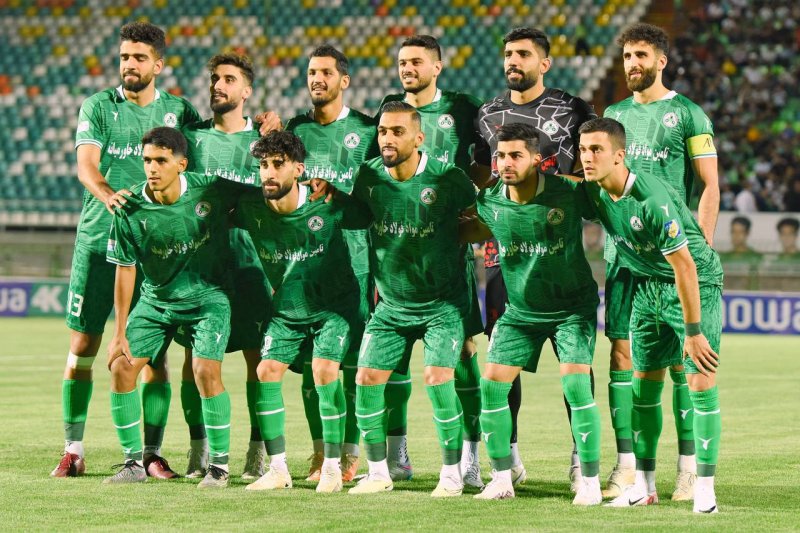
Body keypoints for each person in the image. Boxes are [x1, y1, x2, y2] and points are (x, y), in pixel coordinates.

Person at [53, 21, 200, 478]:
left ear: (158, 64)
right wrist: (107, 194)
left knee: (153, 356)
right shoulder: (99, 106)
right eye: (124, 57)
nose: (129, 65)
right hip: (98, 242)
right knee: (83, 345)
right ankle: (73, 449)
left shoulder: (180, 111)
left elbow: (209, 153)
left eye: (139, 57)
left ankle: (151, 454)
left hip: (154, 255)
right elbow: (86, 165)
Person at [473, 26, 597, 490]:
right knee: (502, 353)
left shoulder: (572, 109)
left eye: (523, 54)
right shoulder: (487, 115)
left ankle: (579, 457)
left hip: (555, 243)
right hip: (503, 251)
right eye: (508, 53)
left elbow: (592, 159)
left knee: (575, 364)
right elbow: (481, 172)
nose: (514, 61)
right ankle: (509, 457)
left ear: (544, 63)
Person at [578, 118, 722, 514]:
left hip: (695, 281)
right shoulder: (593, 190)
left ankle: (704, 488)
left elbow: (685, 266)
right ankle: (643, 486)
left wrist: (693, 331)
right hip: (646, 285)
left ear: (619, 156)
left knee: (699, 379)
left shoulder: (651, 199)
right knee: (643, 387)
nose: (587, 157)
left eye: (596, 150)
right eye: (583, 149)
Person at [601, 22, 720, 500]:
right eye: (627, 56)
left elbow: (709, 184)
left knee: (684, 367)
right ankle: (630, 468)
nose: (633, 64)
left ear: (661, 61)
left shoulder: (689, 115)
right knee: (628, 359)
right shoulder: (613, 115)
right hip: (624, 258)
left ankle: (688, 467)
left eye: (641, 55)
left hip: (672, 255)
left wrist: (702, 243)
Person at [460, 123, 602, 504]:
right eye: (500, 156)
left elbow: (611, 204)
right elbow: (471, 229)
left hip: (571, 309)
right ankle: (502, 477)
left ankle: (589, 479)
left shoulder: (568, 192)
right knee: (492, 385)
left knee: (576, 385)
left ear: (537, 159)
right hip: (521, 311)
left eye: (515, 156)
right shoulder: (489, 200)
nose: (505, 163)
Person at [347, 102, 475, 497]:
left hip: (442, 303)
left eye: (397, 132)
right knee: (366, 379)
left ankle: (452, 473)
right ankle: (378, 472)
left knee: (438, 379)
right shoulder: (368, 176)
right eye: (383, 131)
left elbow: (480, 221)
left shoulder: (449, 178)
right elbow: (353, 217)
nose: (387, 138)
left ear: (419, 138)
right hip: (392, 304)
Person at [376, 34, 485, 487]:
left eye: (416, 62)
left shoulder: (463, 108)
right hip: (399, 256)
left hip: (448, 255)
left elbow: (485, 163)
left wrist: (470, 208)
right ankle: (397, 453)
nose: (408, 69)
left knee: (463, 351)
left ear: (437, 67)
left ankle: (471, 455)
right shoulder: (388, 111)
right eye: (402, 62)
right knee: (395, 356)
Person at [104, 127, 238, 488]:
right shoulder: (128, 208)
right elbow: (125, 269)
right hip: (156, 301)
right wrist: (119, 332)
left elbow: (263, 195)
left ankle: (219, 467)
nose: (152, 168)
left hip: (208, 299)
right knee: (121, 366)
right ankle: (133, 463)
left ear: (181, 164)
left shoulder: (211, 189)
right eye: (147, 160)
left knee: (204, 371)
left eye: (161, 160)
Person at [235, 131, 368, 494]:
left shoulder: (326, 202)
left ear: (298, 169)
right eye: (263, 165)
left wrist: (338, 192)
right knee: (265, 371)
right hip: (288, 310)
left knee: (324, 372)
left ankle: (332, 466)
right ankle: (278, 469)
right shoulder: (250, 207)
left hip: (333, 309)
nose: (269, 173)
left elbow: (366, 216)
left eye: (278, 164)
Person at [285, 45, 378, 483]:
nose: (316, 79)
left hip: (355, 264)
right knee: (310, 368)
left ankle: (351, 454)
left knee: (351, 366)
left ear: (344, 80)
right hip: (306, 266)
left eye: (325, 72)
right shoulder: (295, 130)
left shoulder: (368, 130)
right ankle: (322, 452)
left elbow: (377, 195)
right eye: (310, 72)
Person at [179, 53, 272, 480]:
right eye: (215, 78)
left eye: (229, 79)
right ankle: (198, 449)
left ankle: (258, 449)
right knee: (194, 359)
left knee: (258, 359)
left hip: (251, 263)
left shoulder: (264, 140)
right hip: (199, 265)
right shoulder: (190, 139)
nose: (218, 85)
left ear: (246, 90)